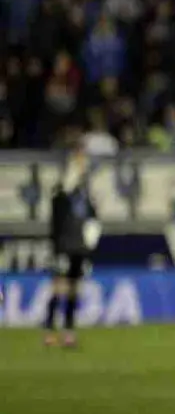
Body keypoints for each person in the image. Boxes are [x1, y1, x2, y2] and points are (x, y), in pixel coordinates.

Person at [44, 139, 99, 348]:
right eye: (80, 158)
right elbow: (57, 210)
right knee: (60, 288)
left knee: (75, 290)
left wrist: (92, 236)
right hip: (64, 245)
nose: (83, 162)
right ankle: (49, 331)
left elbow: (92, 216)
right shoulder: (62, 191)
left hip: (80, 246)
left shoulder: (84, 193)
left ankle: (68, 332)